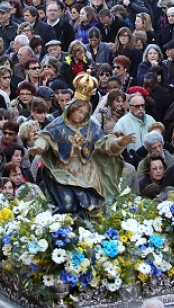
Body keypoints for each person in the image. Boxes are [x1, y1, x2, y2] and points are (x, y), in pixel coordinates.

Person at [28, 73, 133, 214]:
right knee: (67, 206)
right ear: (71, 109)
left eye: (84, 113)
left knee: (94, 208)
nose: (81, 116)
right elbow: (46, 137)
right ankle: (60, 228)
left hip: (86, 172)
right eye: (78, 111)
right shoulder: (59, 124)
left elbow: (104, 144)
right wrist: (38, 147)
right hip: (64, 171)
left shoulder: (91, 126)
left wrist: (119, 142)